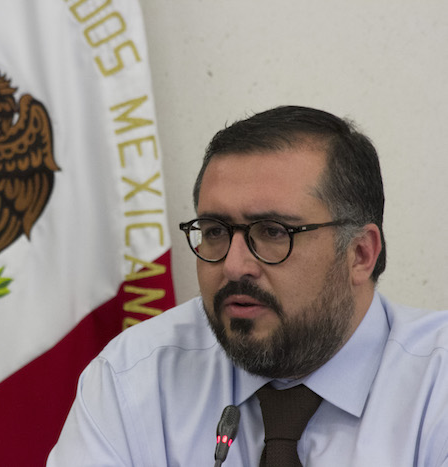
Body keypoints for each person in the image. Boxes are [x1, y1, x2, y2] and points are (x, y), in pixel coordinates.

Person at [47, 106, 448, 466]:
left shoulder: (436, 386)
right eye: (216, 231)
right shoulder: (133, 377)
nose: (234, 266)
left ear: (360, 253)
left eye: (273, 232)